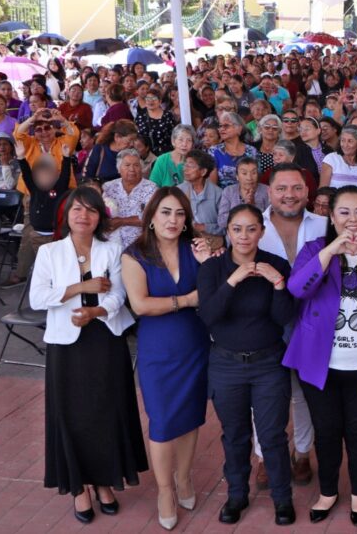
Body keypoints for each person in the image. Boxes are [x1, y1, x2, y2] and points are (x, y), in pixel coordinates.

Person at [285, 185, 357, 526]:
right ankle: (327, 492)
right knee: (326, 431)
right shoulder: (315, 249)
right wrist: (330, 251)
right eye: (344, 212)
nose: (353, 219)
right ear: (332, 216)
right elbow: (298, 288)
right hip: (319, 362)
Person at [29, 188, 146, 525]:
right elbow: (37, 298)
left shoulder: (112, 249)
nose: (84, 216)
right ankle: (79, 486)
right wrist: (81, 288)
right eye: (77, 209)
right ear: (66, 214)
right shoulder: (50, 252)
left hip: (105, 337)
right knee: (72, 415)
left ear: (100, 217)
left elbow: (119, 294)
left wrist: (96, 311)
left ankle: (104, 481)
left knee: (105, 412)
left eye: (91, 210)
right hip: (66, 344)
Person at [197, 204, 297, 526]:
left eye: (251, 229)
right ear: (227, 231)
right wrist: (233, 281)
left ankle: (282, 498)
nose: (244, 236)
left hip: (268, 363)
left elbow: (285, 317)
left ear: (261, 232)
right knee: (235, 434)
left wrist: (278, 285)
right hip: (226, 364)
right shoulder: (213, 268)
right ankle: (237, 495)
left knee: (272, 435)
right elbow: (208, 315)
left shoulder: (276, 265)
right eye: (237, 229)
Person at [120, 188, 213, 530]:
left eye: (179, 213)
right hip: (158, 349)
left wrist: (208, 263)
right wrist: (186, 300)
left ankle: (184, 478)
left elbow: (213, 292)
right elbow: (141, 304)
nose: (173, 220)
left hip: (194, 345)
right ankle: (164, 491)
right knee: (161, 421)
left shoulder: (196, 248)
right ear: (151, 217)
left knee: (190, 416)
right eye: (166, 212)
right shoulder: (135, 255)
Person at [253, 163, 326, 489]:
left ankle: (302, 453)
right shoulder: (253, 226)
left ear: (307, 192)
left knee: (304, 391)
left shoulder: (324, 225)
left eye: (297, 188)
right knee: (265, 393)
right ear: (270, 192)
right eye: (282, 188)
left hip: (313, 321)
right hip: (264, 322)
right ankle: (265, 456)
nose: (289, 195)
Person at [2, 137, 76, 288]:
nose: (44, 177)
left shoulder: (58, 189)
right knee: (43, 265)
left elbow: (65, 175)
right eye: (40, 175)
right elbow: (26, 174)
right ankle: (44, 285)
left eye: (48, 174)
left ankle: (58, 286)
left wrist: (66, 158)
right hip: (36, 236)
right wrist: (21, 158)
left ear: (55, 175)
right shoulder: (34, 189)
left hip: (55, 237)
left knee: (56, 265)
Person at [102, 149, 158, 249]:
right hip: (110, 245)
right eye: (127, 165)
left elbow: (151, 218)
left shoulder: (151, 188)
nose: (132, 169)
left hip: (140, 245)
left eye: (136, 165)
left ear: (141, 168)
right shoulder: (108, 187)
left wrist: (121, 221)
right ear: (119, 169)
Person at [176, 150, 224, 247]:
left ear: (203, 172)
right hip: (184, 241)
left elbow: (225, 227)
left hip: (211, 244)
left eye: (191, 166)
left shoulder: (218, 194)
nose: (185, 169)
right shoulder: (179, 191)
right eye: (185, 165)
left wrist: (204, 227)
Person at [209, 111, 259, 189]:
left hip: (248, 193)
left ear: (239, 129)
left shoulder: (251, 151)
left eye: (226, 126)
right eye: (220, 126)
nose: (221, 129)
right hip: (222, 195)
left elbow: (256, 179)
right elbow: (212, 186)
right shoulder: (214, 151)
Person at [217, 157, 270, 226]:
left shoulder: (267, 190)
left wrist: (253, 206)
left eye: (254, 173)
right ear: (237, 176)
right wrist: (243, 207)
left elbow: (270, 220)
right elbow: (221, 221)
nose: (249, 178)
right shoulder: (229, 191)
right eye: (244, 173)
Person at [83, 119, 137, 184]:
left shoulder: (132, 154)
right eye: (130, 140)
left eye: (134, 140)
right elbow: (88, 176)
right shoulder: (99, 150)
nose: (132, 144)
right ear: (117, 137)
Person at [135, 87, 178, 154]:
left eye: (154, 98)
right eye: (148, 99)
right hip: (147, 154)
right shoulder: (140, 115)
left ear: (160, 101)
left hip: (166, 153)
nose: (151, 101)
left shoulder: (168, 115)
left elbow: (174, 135)